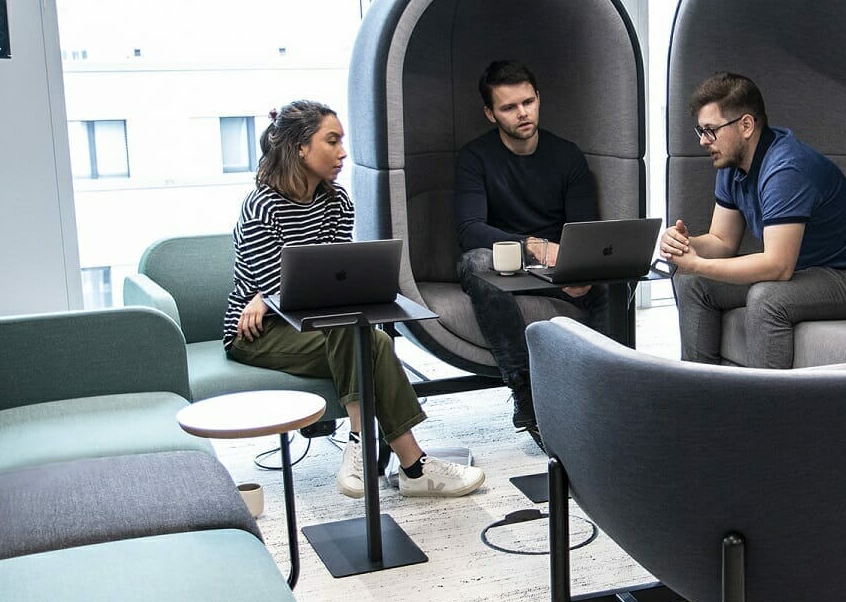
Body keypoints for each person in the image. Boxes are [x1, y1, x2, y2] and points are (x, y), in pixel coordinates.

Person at [224, 99, 485, 499]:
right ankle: (401, 460)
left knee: (369, 336)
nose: (343, 152)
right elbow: (280, 294)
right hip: (260, 333)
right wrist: (267, 296)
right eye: (332, 141)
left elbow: (333, 279)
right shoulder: (262, 206)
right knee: (361, 333)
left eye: (343, 141)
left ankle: (385, 454)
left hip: (322, 326)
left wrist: (323, 291)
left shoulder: (337, 202)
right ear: (299, 147)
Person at [660, 71, 846, 369]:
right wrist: (685, 246)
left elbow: (778, 266)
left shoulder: (786, 169)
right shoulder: (730, 165)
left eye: (711, 130)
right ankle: (702, 394)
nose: (704, 141)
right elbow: (722, 241)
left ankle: (764, 411)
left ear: (745, 125)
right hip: (807, 271)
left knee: (766, 297)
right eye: (701, 131)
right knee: (693, 283)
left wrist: (699, 263)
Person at [454, 61, 614, 441]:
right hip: (510, 266)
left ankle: (610, 389)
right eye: (509, 107)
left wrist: (580, 270)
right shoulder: (475, 158)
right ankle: (526, 394)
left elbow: (584, 231)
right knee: (474, 262)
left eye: (528, 101)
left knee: (615, 276)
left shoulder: (567, 156)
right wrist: (536, 248)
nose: (523, 113)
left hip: (557, 269)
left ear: (539, 98)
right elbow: (469, 230)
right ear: (490, 114)